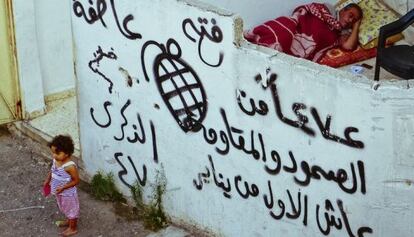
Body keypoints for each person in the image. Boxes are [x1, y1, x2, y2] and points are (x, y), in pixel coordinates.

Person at [244, 3, 363, 62]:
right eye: (350, 16)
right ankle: (258, 38)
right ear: (342, 10)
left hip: (306, 45)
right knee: (283, 30)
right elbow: (305, 12)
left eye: (354, 20)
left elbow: (348, 46)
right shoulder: (327, 9)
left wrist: (356, 25)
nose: (350, 21)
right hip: (297, 29)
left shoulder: (342, 32)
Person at [43, 135, 80, 237]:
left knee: (72, 210)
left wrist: (63, 187)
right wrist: (47, 180)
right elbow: (52, 170)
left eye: (57, 153)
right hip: (59, 191)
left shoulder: (70, 166)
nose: (54, 155)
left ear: (67, 153)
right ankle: (69, 221)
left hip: (68, 194)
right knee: (65, 208)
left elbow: (76, 181)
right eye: (53, 152)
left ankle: (73, 228)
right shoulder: (56, 160)